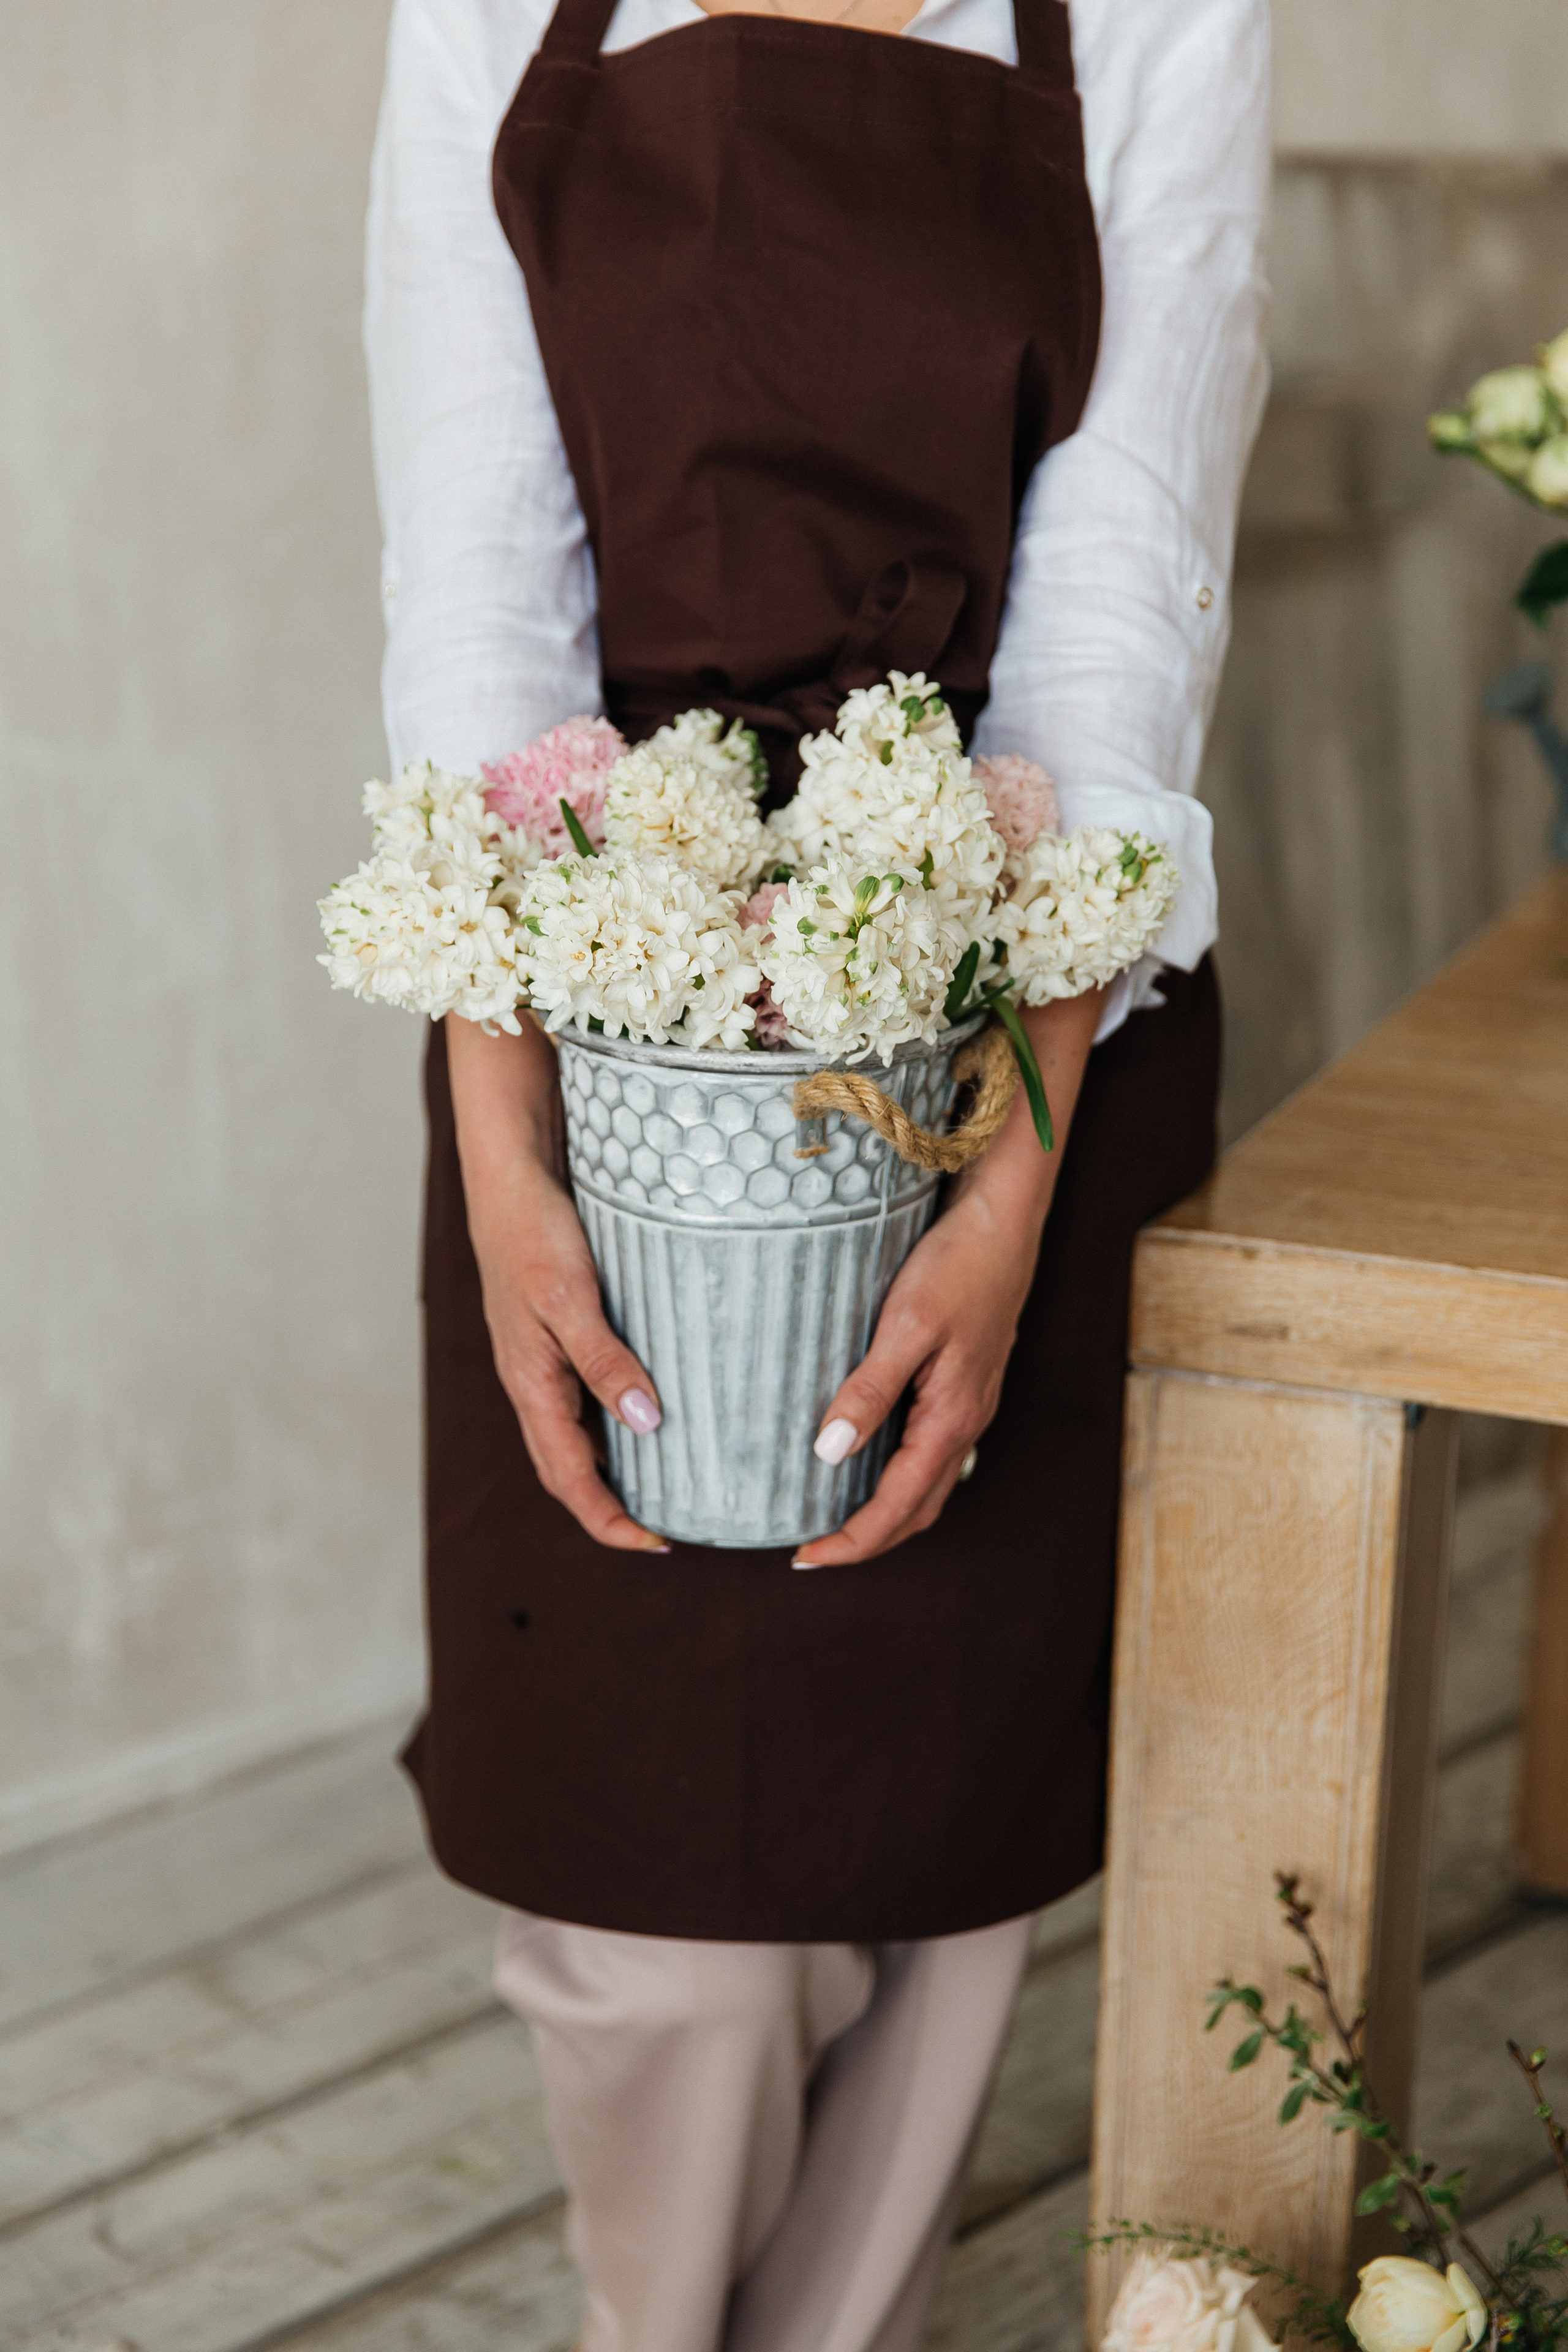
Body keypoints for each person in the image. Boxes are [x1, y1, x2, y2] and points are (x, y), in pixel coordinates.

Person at [363, 0, 1270, 2338]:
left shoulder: (1165, 14)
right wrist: (503, 1162)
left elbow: (1112, 612)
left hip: (1017, 991)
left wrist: (1014, 1166)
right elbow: (478, 602)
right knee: (640, 1930)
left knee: (933, 1860)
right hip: (576, 1014)